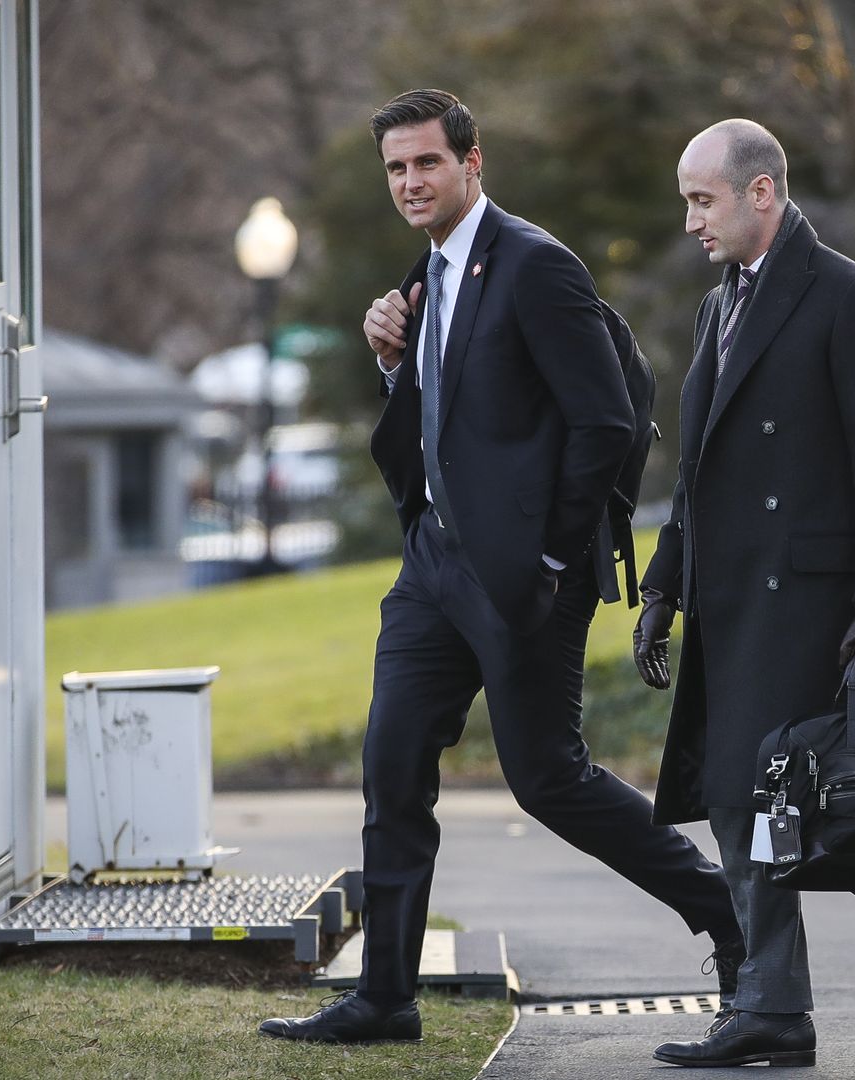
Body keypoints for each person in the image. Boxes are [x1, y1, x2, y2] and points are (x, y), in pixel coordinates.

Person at [259, 89, 739, 1045]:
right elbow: (458, 420)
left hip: (525, 576)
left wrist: (556, 555)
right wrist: (396, 366)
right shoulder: (428, 272)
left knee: (548, 780)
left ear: (472, 163)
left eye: (426, 163)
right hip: (432, 568)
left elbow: (606, 420)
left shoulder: (535, 264)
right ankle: (386, 998)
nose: (409, 183)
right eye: (395, 168)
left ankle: (728, 913)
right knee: (392, 764)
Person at [631, 119, 855, 1068]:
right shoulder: (722, 306)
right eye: (685, 202)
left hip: (812, 604)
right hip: (732, 598)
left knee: (795, 800)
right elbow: (699, 467)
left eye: (702, 200)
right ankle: (788, 1001)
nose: (689, 222)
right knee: (745, 798)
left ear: (762, 194)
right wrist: (665, 586)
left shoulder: (849, 296)